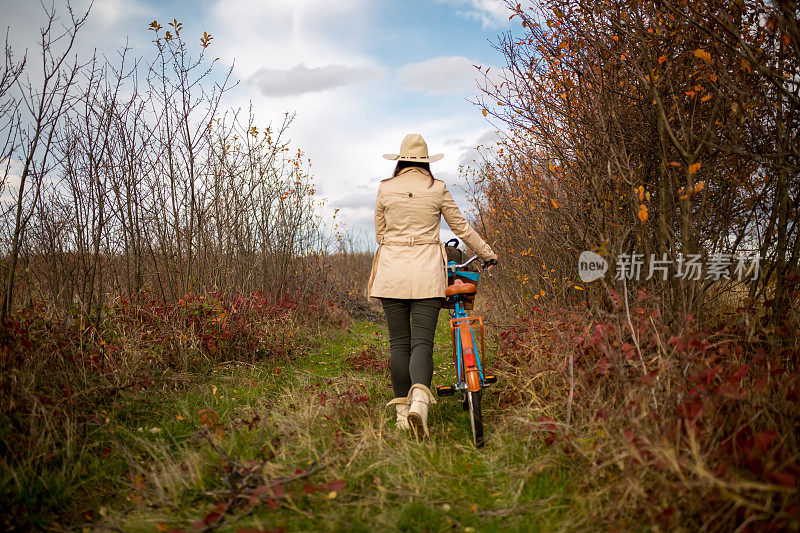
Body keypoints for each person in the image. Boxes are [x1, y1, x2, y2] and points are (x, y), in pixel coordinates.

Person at [367, 133, 498, 438]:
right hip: (427, 272)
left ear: (400, 161)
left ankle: (402, 416)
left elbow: (380, 233)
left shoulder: (385, 188)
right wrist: (487, 253)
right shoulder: (436, 188)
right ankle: (420, 407)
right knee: (422, 343)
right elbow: (460, 226)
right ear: (426, 162)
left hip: (391, 273)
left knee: (399, 343)